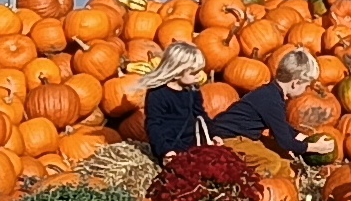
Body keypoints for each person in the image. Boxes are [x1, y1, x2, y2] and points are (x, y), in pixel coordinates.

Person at [136, 43, 318, 163]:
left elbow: (201, 117)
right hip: (174, 147)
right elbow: (155, 126)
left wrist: (210, 138)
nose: (198, 77)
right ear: (176, 71)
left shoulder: (191, 91)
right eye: (193, 73)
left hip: (196, 144)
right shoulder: (158, 95)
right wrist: (165, 151)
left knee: (281, 163)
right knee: (272, 162)